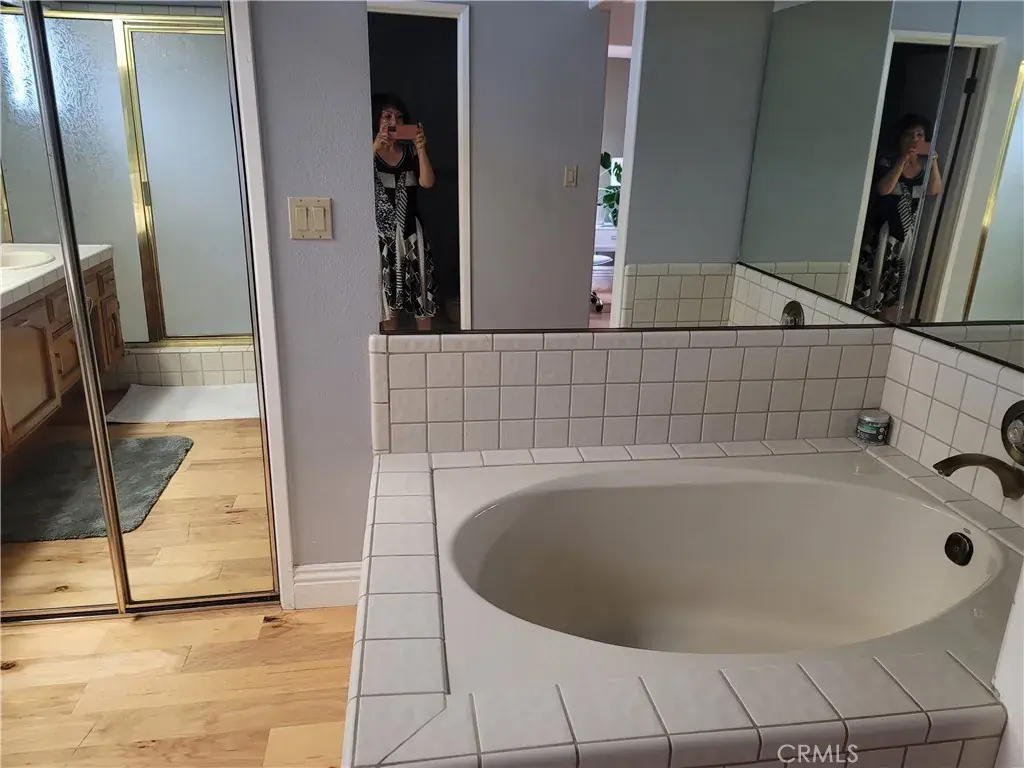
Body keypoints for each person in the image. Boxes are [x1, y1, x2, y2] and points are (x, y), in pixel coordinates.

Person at [852, 113, 944, 314]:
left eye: (920, 135)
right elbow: (884, 189)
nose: (915, 139)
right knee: (869, 279)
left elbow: (934, 190)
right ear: (901, 138)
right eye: (910, 134)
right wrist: (902, 160)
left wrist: (933, 161)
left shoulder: (924, 168)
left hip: (904, 234)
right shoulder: (888, 161)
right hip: (880, 233)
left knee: (892, 283)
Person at [372, 93, 437, 330]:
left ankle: (428, 346)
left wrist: (421, 149)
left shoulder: (410, 153)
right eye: (387, 116)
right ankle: (391, 347)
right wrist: (373, 149)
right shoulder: (368, 153)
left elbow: (427, 182)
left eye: (399, 117)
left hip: (412, 234)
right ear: (376, 120)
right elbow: (354, 184)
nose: (393, 122)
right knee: (387, 298)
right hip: (382, 237)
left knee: (421, 293)